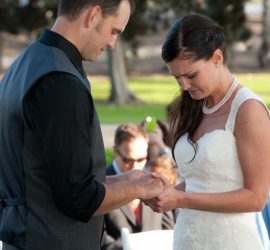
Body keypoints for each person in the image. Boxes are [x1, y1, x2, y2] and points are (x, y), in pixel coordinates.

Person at [0, 1, 164, 249]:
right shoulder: (60, 82)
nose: (112, 43)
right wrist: (138, 188)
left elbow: (49, 177)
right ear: (94, 15)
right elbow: (79, 198)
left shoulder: (25, 65)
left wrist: (128, 180)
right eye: (114, 31)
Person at [145, 13, 270, 249]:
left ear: (217, 58)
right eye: (176, 78)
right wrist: (166, 191)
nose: (184, 86)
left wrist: (181, 199)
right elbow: (201, 182)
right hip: (187, 239)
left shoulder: (247, 109)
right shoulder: (193, 105)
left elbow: (256, 198)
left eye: (191, 75)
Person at [101, 123, 174, 250]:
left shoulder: (154, 181)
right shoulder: (101, 184)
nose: (135, 167)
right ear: (115, 151)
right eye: (128, 160)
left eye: (141, 160)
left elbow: (169, 230)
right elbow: (100, 240)